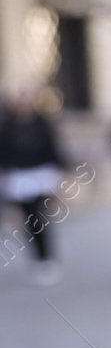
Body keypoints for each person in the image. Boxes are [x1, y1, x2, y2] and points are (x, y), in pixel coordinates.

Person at [0, 88, 66, 286]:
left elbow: (53, 148)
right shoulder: (8, 127)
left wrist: (60, 173)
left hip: (41, 176)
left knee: (40, 218)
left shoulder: (42, 124)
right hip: (19, 178)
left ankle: (46, 256)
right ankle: (37, 258)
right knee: (28, 220)